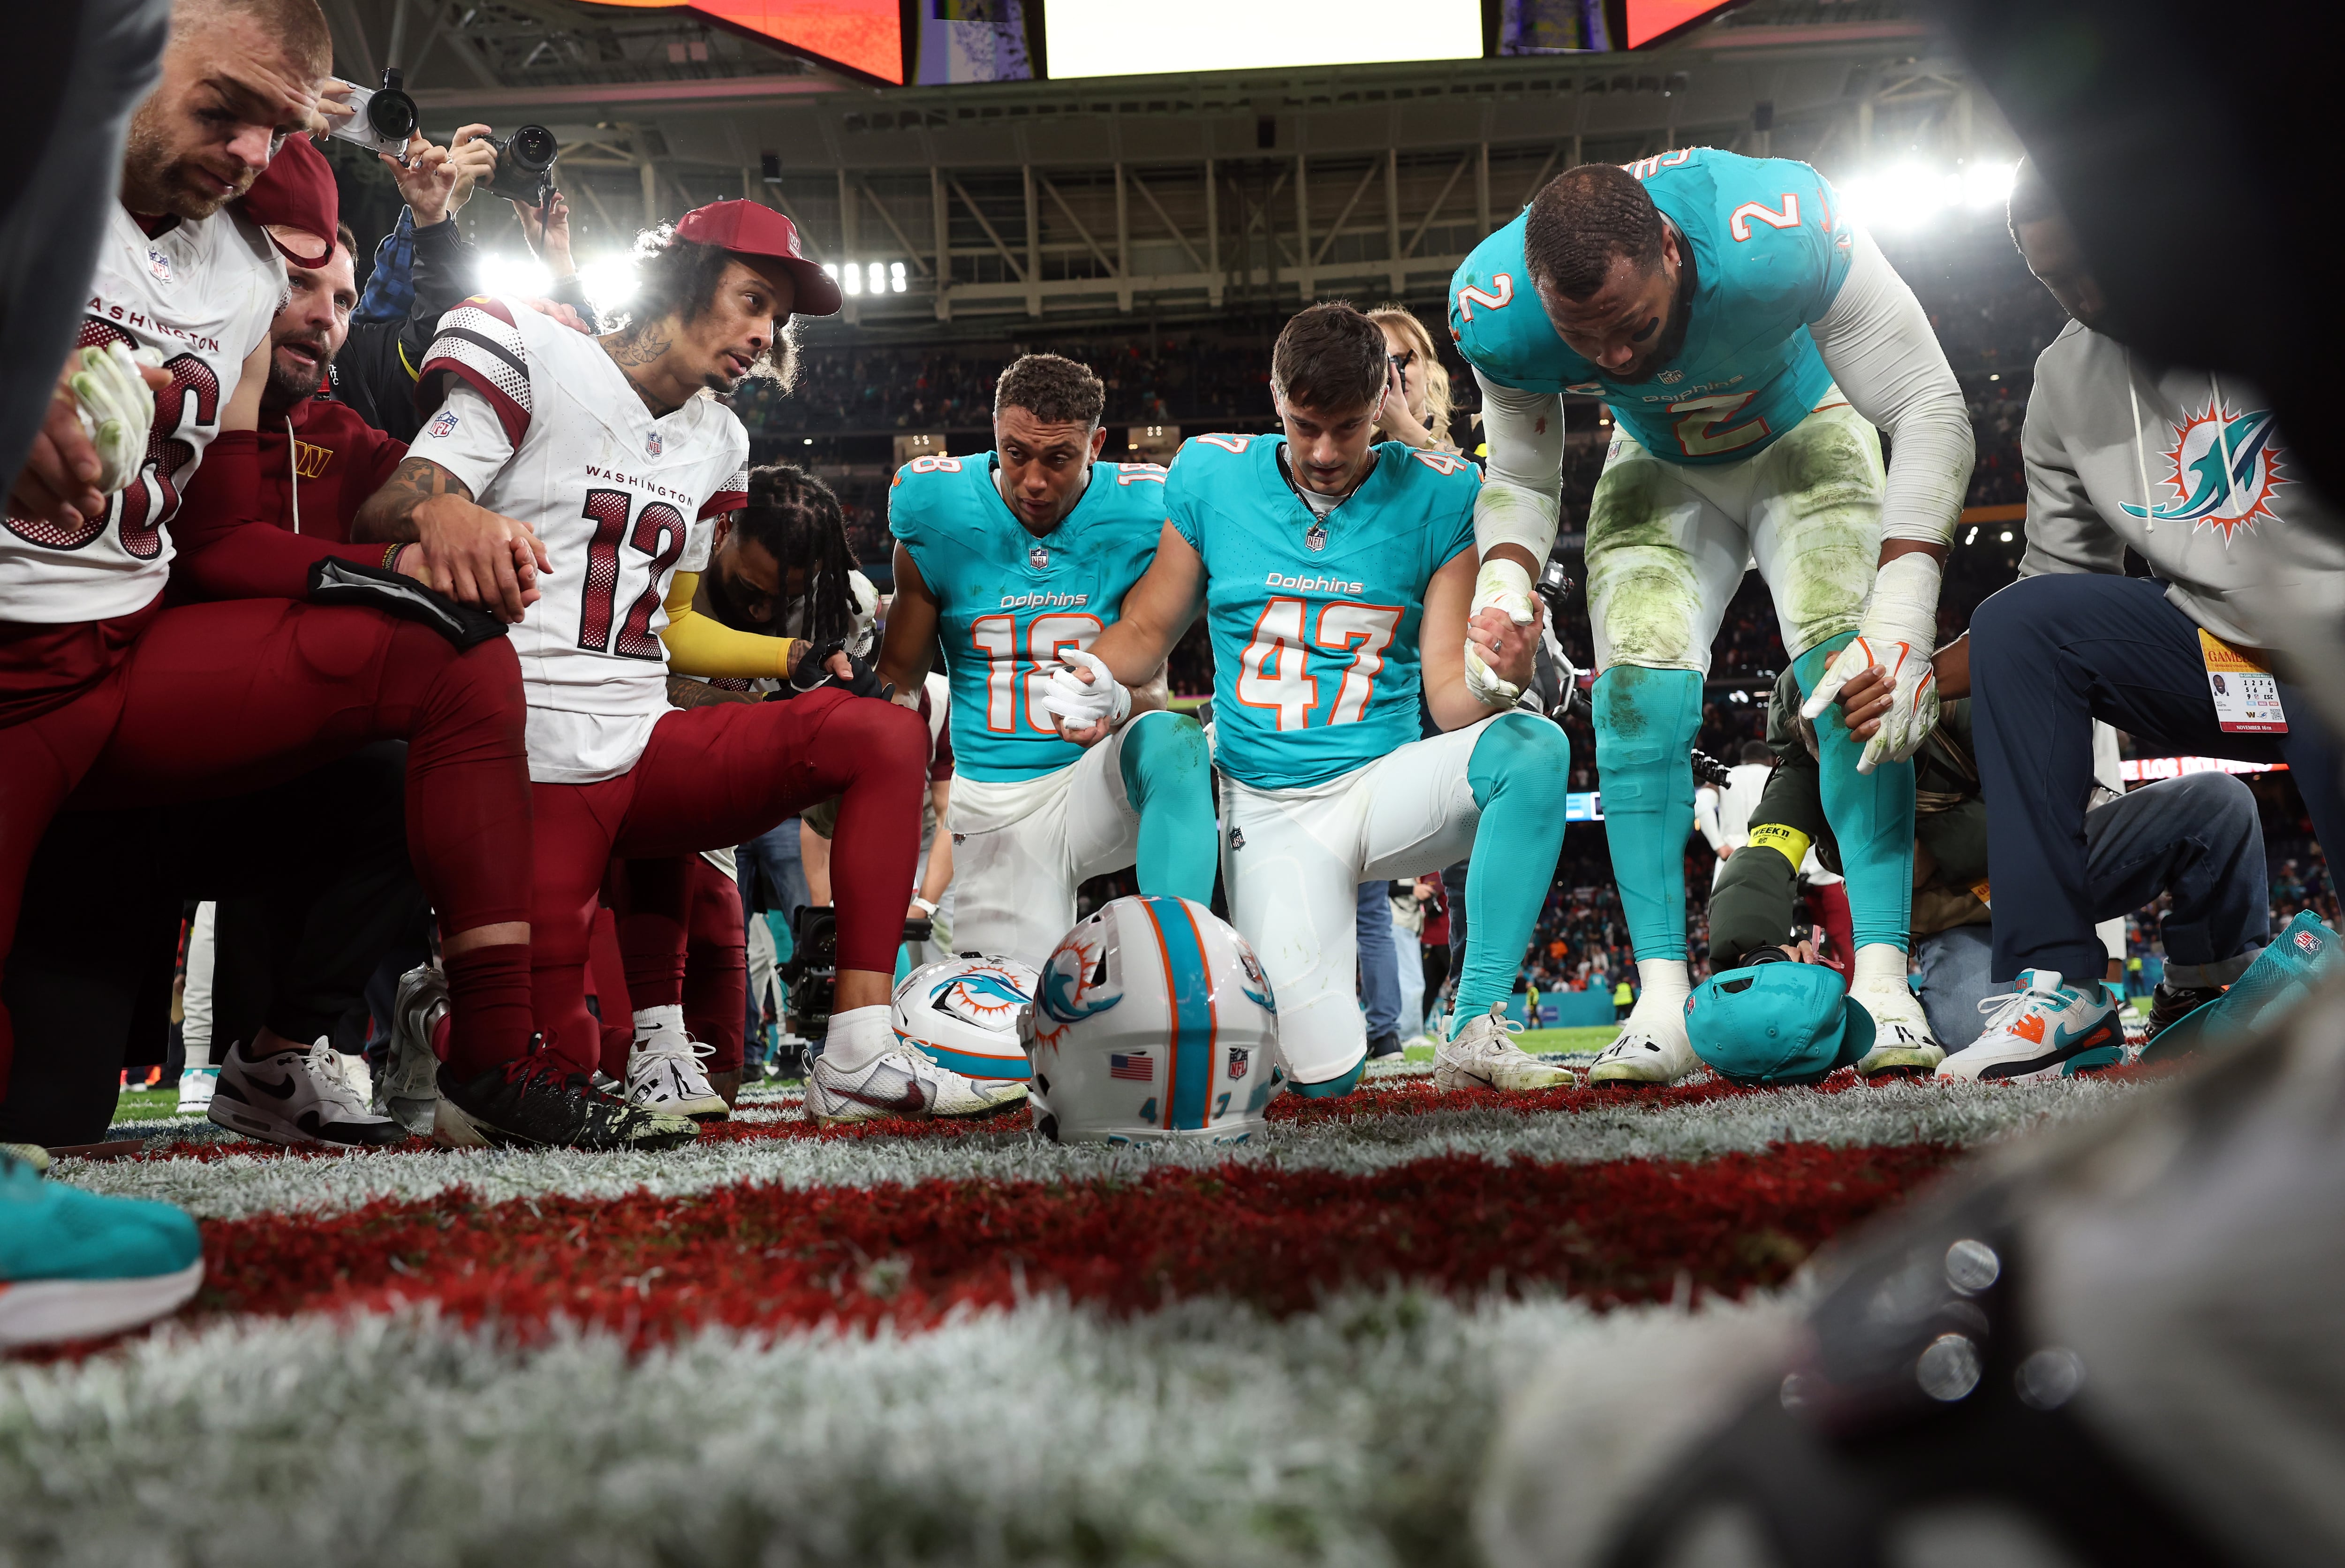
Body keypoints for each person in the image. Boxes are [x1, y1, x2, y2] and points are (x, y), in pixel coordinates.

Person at [0, 0, 539, 1150]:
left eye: (275, 128)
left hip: (114, 665)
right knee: (41, 1107)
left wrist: (420, 543)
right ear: (126, 62)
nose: (251, 153)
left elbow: (231, 529)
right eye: (224, 111)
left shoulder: (243, 267)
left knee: (450, 659)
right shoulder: (40, 166)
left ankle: (496, 1055)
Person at [357, 201, 1007, 1137]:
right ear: (683, 278)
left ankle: (860, 1048)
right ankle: (439, 1008)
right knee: (546, 1076)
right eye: (751, 301)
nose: (762, 334)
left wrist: (789, 664)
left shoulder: (720, 440)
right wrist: (444, 512)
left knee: (882, 730)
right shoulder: (534, 347)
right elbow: (396, 503)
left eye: (776, 320)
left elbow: (672, 628)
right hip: (523, 753)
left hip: (643, 741)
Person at [1447, 151, 1975, 1085]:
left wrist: (1904, 609)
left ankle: (1886, 980)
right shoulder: (1497, 306)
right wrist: (1502, 588)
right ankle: (1659, 1000)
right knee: (1633, 708)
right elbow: (1523, 475)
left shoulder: (1776, 229)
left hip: (1803, 431)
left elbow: (1931, 404)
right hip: (1655, 459)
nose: (1612, 357)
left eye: (1630, 327)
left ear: (1670, 249)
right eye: (1585, 341)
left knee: (1851, 677)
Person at [1878, 160, 2345, 1079]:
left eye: (2092, 263)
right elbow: (2059, 582)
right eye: (2051, 277)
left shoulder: (2295, 295)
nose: (2081, 294)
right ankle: (2061, 984)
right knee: (2025, 622)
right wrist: (1914, 672)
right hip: (2227, 664)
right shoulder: (2063, 382)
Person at [1042, 302, 1571, 1098]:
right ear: (1275, 396)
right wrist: (1092, 673)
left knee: (1534, 748)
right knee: (1323, 1076)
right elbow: (1150, 626)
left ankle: (1475, 1022)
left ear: (1384, 402)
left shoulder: (1439, 492)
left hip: (1377, 785)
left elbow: (1449, 695)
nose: (1324, 452)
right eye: (1304, 425)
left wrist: (1502, 675)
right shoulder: (1214, 475)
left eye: (1349, 428)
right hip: (1262, 802)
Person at [1713, 665, 2268, 1072]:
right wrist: (1752, 951)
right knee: (1980, 1043)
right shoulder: (1806, 763)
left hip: (2041, 872)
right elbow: (1764, 851)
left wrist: (1938, 858)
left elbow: (2043, 802)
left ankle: (2192, 991)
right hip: (1965, 922)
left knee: (2216, 804)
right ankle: (2076, 1000)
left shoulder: (1963, 696)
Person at [873, 353, 1218, 968]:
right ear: (995, 437)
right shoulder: (938, 507)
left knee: (1174, 740)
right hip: (994, 800)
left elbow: (1155, 690)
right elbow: (898, 682)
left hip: (1095, 781)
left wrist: (1114, 700)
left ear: (1097, 445)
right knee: (1003, 1051)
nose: (1033, 480)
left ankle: (1180, 971)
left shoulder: (1144, 510)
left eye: (1058, 458)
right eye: (1015, 453)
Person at [1368, 305, 1457, 453]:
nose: (1393, 372)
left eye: (1404, 360)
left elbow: (1484, 474)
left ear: (1430, 370)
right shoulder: (1361, 454)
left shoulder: (1472, 431)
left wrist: (1406, 429)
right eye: (1382, 363)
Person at [1694, 739, 1774, 889]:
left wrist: (1720, 846)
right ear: (1770, 760)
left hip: (1731, 861)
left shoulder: (1726, 776)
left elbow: (1701, 803)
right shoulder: (1776, 776)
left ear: (1742, 761)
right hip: (1769, 861)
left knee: (1724, 911)